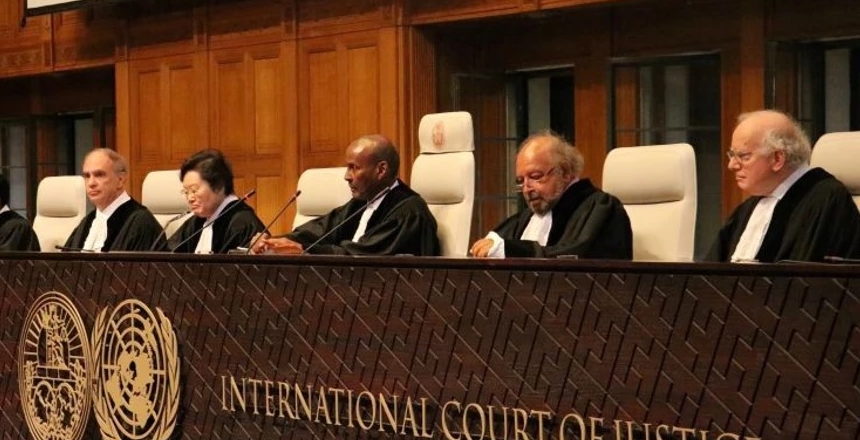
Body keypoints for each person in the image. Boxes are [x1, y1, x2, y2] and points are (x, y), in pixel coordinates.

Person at [705, 109, 860, 262]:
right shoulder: (748, 208)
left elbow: (816, 273)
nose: (732, 165)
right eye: (732, 155)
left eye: (743, 156)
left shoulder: (827, 200)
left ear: (777, 159)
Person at [251, 135, 439, 256]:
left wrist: (304, 250)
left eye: (354, 168)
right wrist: (272, 242)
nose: (346, 176)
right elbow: (320, 230)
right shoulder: (362, 202)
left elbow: (364, 256)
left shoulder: (409, 212)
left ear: (381, 170)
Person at [469, 131, 632, 259]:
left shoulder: (601, 208)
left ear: (565, 172)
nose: (526, 189)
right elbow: (496, 244)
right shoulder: (525, 218)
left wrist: (513, 250)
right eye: (521, 181)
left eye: (535, 176)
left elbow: (577, 257)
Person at [63, 148, 163, 252]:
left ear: (120, 180)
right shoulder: (87, 221)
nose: (91, 183)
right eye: (87, 176)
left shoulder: (141, 222)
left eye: (99, 175)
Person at [169, 149, 264, 254]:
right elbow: (165, 256)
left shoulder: (243, 224)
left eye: (194, 190)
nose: (190, 198)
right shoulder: (194, 224)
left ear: (218, 186)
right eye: (186, 192)